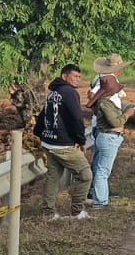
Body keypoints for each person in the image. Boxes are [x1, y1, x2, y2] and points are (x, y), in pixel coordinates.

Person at [38, 63, 92, 219]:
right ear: (64, 76)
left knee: (53, 177)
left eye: (79, 77)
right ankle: (77, 211)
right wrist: (81, 140)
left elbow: (42, 116)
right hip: (63, 144)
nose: (78, 80)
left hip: (49, 142)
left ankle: (48, 212)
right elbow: (76, 118)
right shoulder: (69, 93)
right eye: (75, 76)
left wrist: (40, 134)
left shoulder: (53, 93)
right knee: (85, 175)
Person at [86, 69, 129, 208]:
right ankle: (100, 201)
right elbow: (116, 122)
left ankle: (101, 198)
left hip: (108, 137)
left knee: (102, 169)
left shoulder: (104, 102)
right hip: (108, 137)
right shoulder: (105, 103)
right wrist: (128, 114)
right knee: (102, 171)